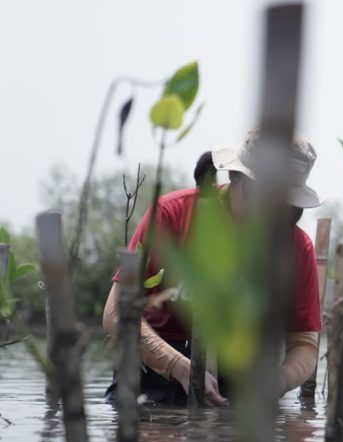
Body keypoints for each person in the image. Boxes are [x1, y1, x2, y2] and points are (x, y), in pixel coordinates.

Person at [102, 131, 324, 406]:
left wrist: (278, 381)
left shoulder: (295, 247)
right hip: (153, 374)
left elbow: (304, 344)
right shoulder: (171, 214)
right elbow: (115, 312)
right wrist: (179, 368)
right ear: (235, 176)